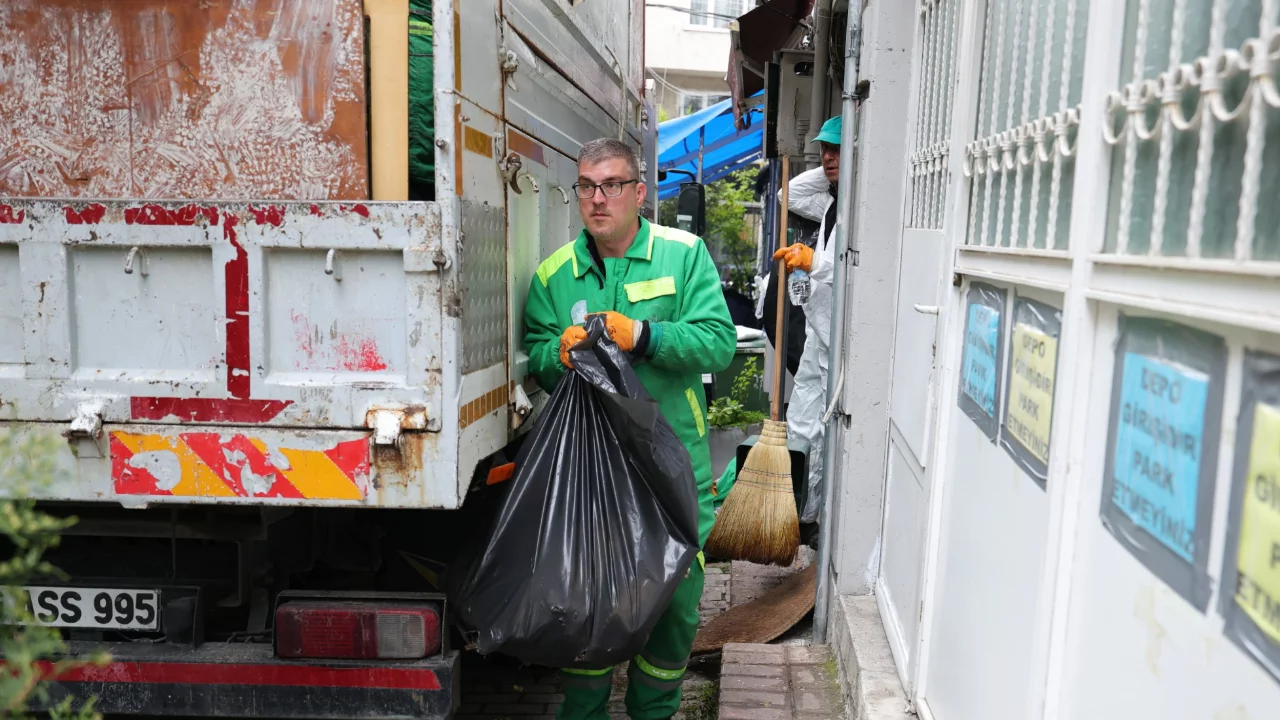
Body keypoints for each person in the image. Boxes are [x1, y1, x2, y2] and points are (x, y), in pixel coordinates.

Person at [523, 138, 736, 720]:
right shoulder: (554, 274)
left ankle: (655, 708)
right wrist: (556, 355)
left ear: (639, 193)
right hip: (592, 474)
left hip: (673, 467)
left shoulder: (683, 255)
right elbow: (534, 353)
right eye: (587, 187)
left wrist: (644, 335)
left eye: (612, 185)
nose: (598, 199)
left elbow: (717, 343)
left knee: (674, 607)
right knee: (587, 607)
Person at [772, 114, 844, 527]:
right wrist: (834, 170)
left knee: (826, 427)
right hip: (818, 329)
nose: (828, 157)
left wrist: (814, 261)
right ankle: (800, 515)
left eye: (837, 149)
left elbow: (855, 269)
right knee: (800, 420)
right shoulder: (832, 203)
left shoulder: (863, 207)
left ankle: (818, 520)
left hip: (840, 337)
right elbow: (788, 195)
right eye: (824, 150)